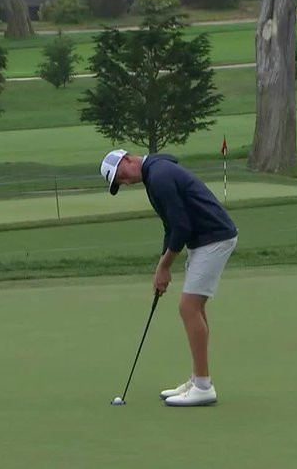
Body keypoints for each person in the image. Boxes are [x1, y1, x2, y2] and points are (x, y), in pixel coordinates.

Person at [101, 149, 239, 407]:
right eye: (120, 183)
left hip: (214, 237)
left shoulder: (159, 176)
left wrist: (165, 267)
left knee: (188, 307)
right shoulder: (154, 176)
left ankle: (203, 386)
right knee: (194, 308)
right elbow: (170, 226)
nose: (126, 182)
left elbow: (182, 227)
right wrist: (161, 266)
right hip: (207, 238)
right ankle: (199, 378)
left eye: (122, 176)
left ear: (127, 159)